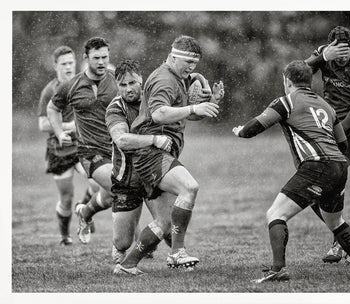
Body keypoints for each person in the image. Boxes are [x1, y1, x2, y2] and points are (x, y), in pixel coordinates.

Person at [233, 60, 350, 282]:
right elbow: (342, 144)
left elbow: (254, 128)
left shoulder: (286, 102)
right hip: (340, 166)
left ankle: (279, 268)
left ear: (287, 81)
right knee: (335, 222)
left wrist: (240, 132)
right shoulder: (326, 106)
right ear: (309, 81)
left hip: (317, 165)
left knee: (275, 214)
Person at [124, 35, 224, 271]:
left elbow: (185, 113)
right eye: (187, 61)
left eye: (195, 63)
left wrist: (210, 102)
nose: (191, 68)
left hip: (160, 153)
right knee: (189, 187)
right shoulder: (164, 80)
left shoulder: (179, 78)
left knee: (165, 221)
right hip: (151, 153)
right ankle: (176, 253)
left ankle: (128, 265)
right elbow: (159, 114)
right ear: (173, 56)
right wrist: (193, 107)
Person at [305, 26, 350, 263]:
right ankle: (346, 239)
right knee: (311, 189)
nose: (342, 56)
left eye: (346, 51)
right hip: (329, 128)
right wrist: (323, 57)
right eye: (338, 51)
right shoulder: (324, 54)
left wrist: (338, 132)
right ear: (331, 47)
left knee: (328, 183)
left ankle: (342, 242)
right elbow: (296, 75)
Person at [105, 59, 174, 274]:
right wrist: (154, 140)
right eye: (123, 85)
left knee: (169, 225)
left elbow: (180, 112)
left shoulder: (153, 100)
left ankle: (178, 256)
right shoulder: (115, 108)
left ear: (141, 80)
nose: (128, 89)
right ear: (117, 85)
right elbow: (122, 140)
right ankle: (120, 247)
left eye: (132, 83)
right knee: (123, 241)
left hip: (153, 172)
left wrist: (205, 103)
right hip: (127, 179)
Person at [47, 37, 117, 244]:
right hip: (89, 152)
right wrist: (60, 132)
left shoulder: (116, 80)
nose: (101, 62)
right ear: (86, 58)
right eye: (96, 58)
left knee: (108, 196)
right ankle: (131, 248)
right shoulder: (72, 85)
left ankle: (85, 212)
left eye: (105, 57)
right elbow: (52, 108)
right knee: (123, 190)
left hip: (117, 148)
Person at [37, 45, 97, 245]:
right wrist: (68, 126)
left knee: (97, 184)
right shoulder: (49, 91)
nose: (69, 67)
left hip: (82, 147)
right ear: (56, 66)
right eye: (64, 64)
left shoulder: (83, 84)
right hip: (59, 150)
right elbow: (43, 123)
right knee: (66, 197)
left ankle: (84, 208)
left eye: (71, 62)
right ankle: (65, 236)